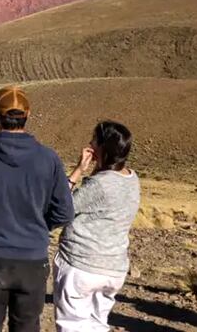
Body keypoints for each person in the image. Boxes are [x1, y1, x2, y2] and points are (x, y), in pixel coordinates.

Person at [0, 86, 74, 332]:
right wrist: (38, 226)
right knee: (27, 325)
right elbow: (64, 212)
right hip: (32, 259)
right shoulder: (48, 159)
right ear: (27, 115)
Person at [53, 121, 140, 331]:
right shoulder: (132, 178)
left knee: (72, 325)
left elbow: (62, 208)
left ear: (102, 147)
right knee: (98, 325)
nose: (89, 143)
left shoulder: (99, 184)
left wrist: (78, 171)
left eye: (93, 139)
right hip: (113, 267)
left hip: (82, 264)